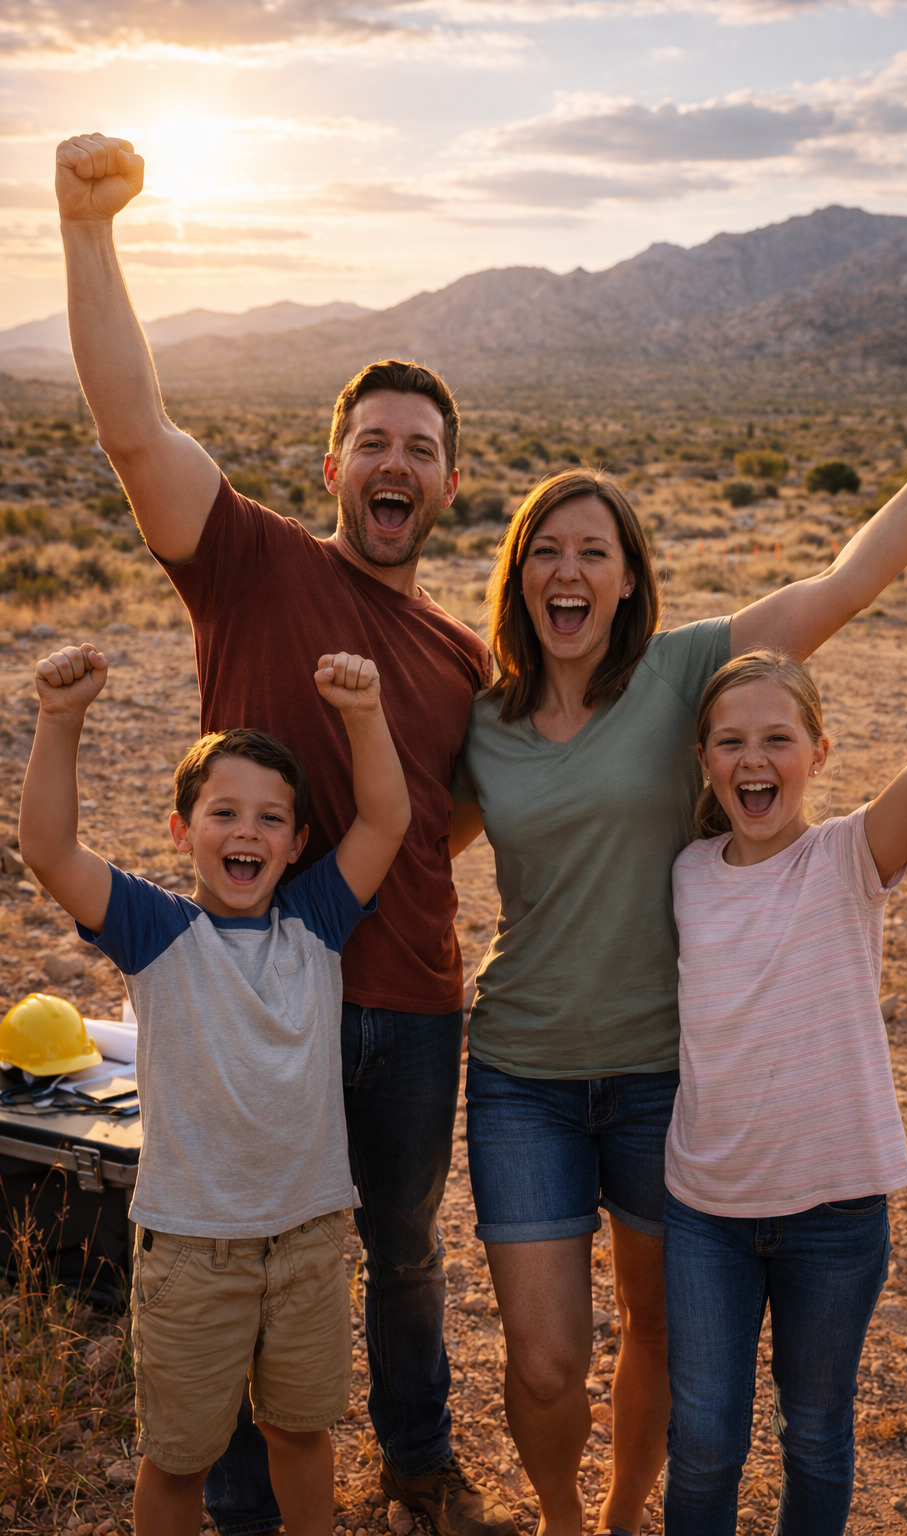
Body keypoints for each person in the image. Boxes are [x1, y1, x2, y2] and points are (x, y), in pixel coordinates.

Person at [448, 351, 907, 1536]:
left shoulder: (683, 673)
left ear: (626, 579)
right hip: (522, 1073)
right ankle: (561, 1518)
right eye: (548, 549)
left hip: (664, 1078)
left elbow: (845, 582)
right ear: (520, 574)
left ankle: (622, 1520)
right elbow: (409, 838)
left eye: (594, 551)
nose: (569, 569)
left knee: (664, 1339)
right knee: (549, 1360)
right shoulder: (484, 724)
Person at [55, 132, 506, 1536]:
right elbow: (135, 426)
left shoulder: (458, 653)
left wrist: (403, 862)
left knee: (404, 1252)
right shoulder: (246, 560)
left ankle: (420, 1464)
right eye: (374, 440)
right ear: (333, 466)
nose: (396, 462)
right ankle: (253, 1504)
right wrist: (85, 231)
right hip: (260, 1005)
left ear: (445, 488)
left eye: (421, 452)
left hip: (409, 992)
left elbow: (463, 807)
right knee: (257, 1245)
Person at [19, 641, 411, 1536]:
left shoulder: (316, 920)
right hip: (194, 1250)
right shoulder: (156, 930)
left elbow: (385, 821)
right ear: (181, 830)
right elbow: (46, 848)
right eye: (223, 813)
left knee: (301, 1432)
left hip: (309, 1238)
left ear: (299, 842)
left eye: (271, 818)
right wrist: (60, 718)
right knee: (178, 1458)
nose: (247, 832)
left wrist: (363, 714)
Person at [662, 567, 907, 1534]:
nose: (754, 759)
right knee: (703, 1438)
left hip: (835, 1212)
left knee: (816, 1430)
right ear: (704, 761)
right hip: (707, 1212)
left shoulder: (850, 860)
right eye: (731, 741)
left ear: (818, 752)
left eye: (777, 738)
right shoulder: (687, 874)